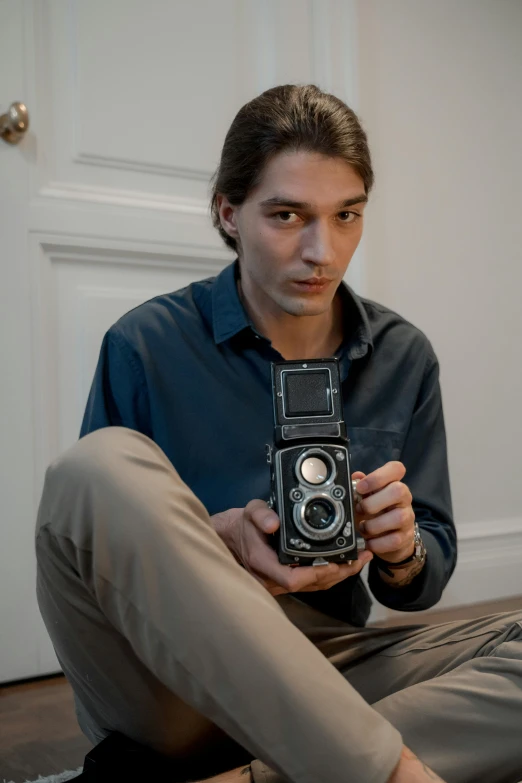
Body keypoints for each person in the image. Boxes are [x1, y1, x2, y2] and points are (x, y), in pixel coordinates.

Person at [35, 85, 522, 783]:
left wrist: (402, 548)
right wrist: (217, 540)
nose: (322, 250)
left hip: (330, 663)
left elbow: (421, 582)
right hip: (175, 676)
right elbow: (102, 546)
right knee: (97, 467)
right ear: (228, 213)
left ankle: (260, 774)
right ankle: (383, 770)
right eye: (288, 215)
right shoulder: (145, 344)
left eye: (347, 215)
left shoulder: (403, 353)